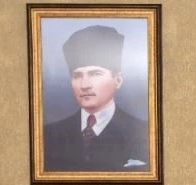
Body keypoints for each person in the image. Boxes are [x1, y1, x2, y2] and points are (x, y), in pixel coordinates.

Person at [43, 25, 149, 172]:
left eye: (95, 74)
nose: (84, 85)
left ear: (118, 80)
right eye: (77, 76)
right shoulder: (48, 135)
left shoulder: (145, 132)